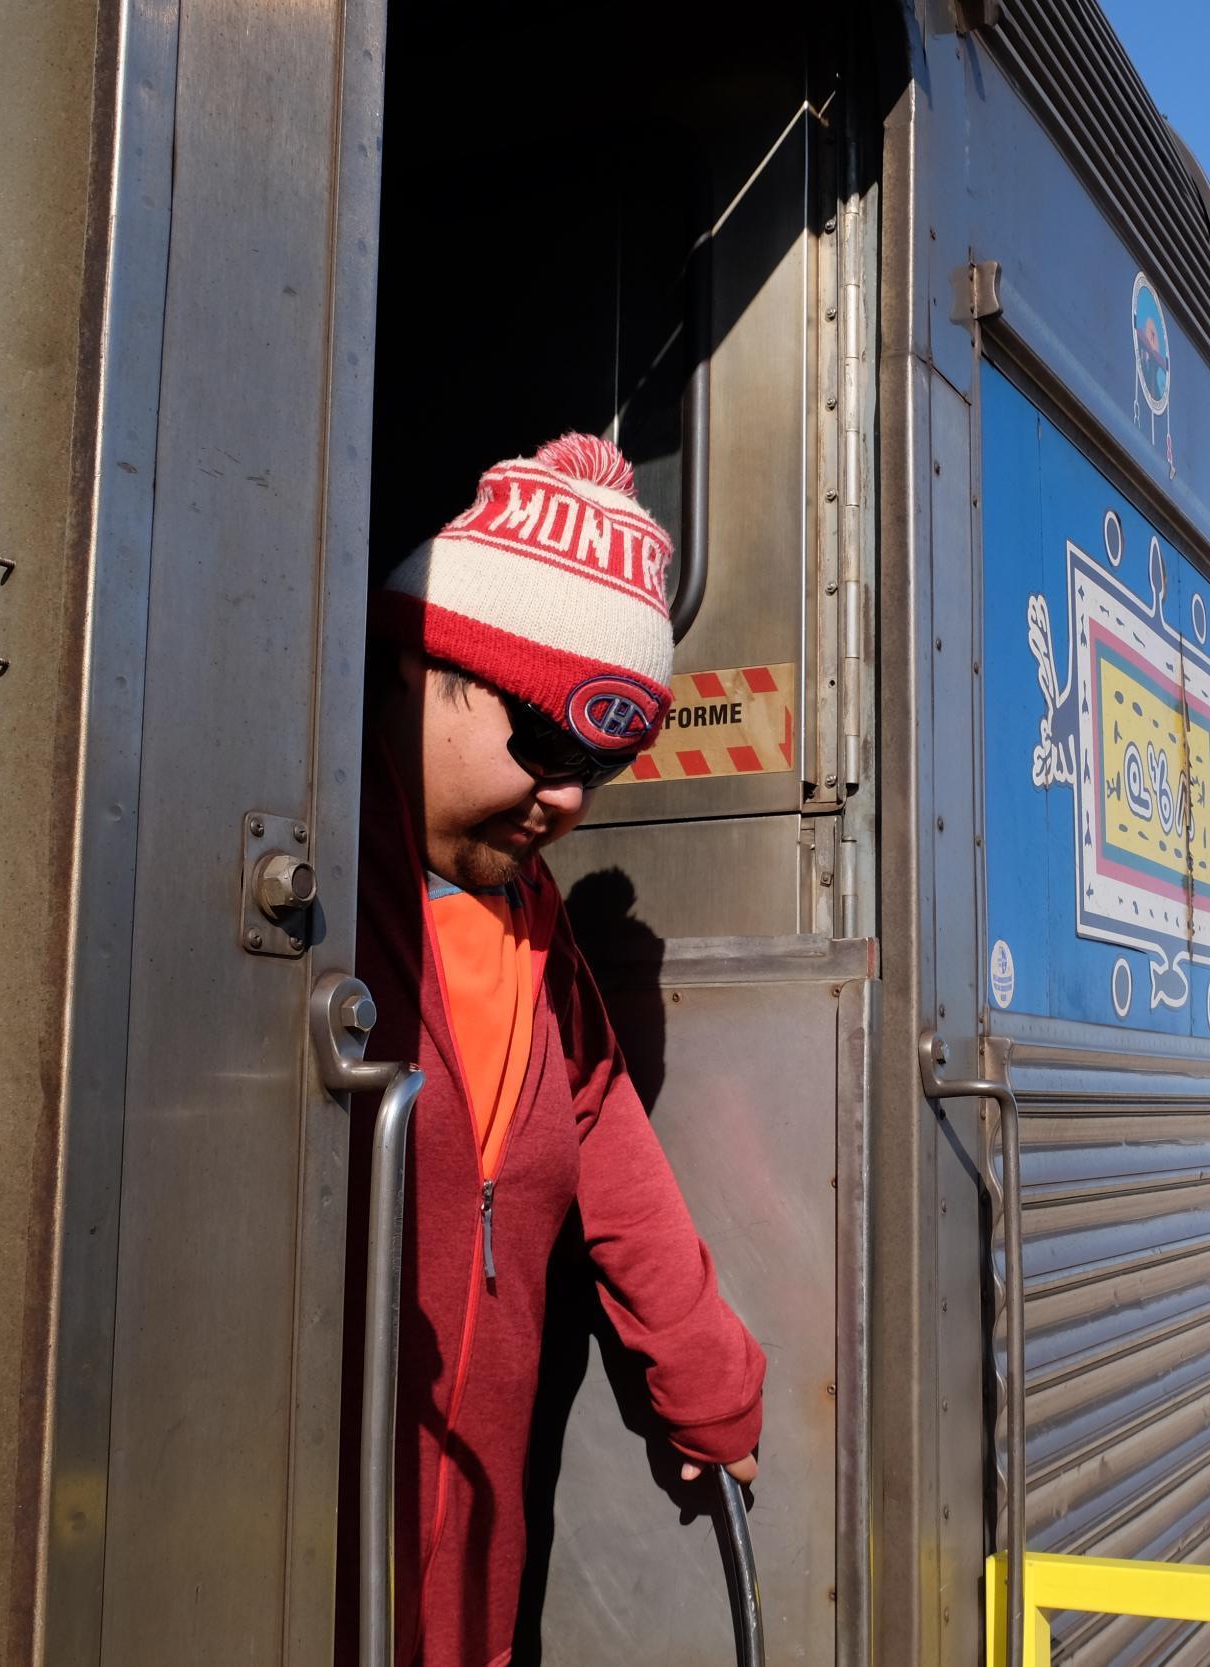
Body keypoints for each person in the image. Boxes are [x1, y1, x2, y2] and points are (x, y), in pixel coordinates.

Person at [349, 433, 765, 1666]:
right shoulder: (289, 903)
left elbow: (607, 1149)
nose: (570, 799)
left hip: (468, 1598)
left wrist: (705, 1382)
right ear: (425, 667)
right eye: (544, 742)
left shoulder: (530, 934)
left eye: (599, 762)